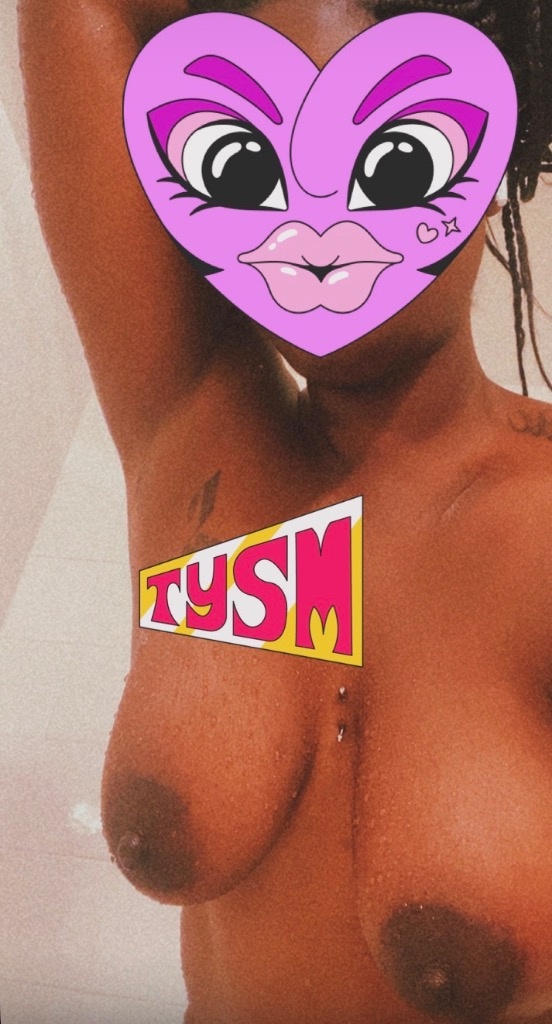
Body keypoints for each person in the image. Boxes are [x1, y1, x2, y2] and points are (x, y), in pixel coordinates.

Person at [18, 0, 552, 1021]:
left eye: (387, 167)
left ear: (485, 162)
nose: (308, 242)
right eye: (246, 178)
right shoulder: (196, 437)